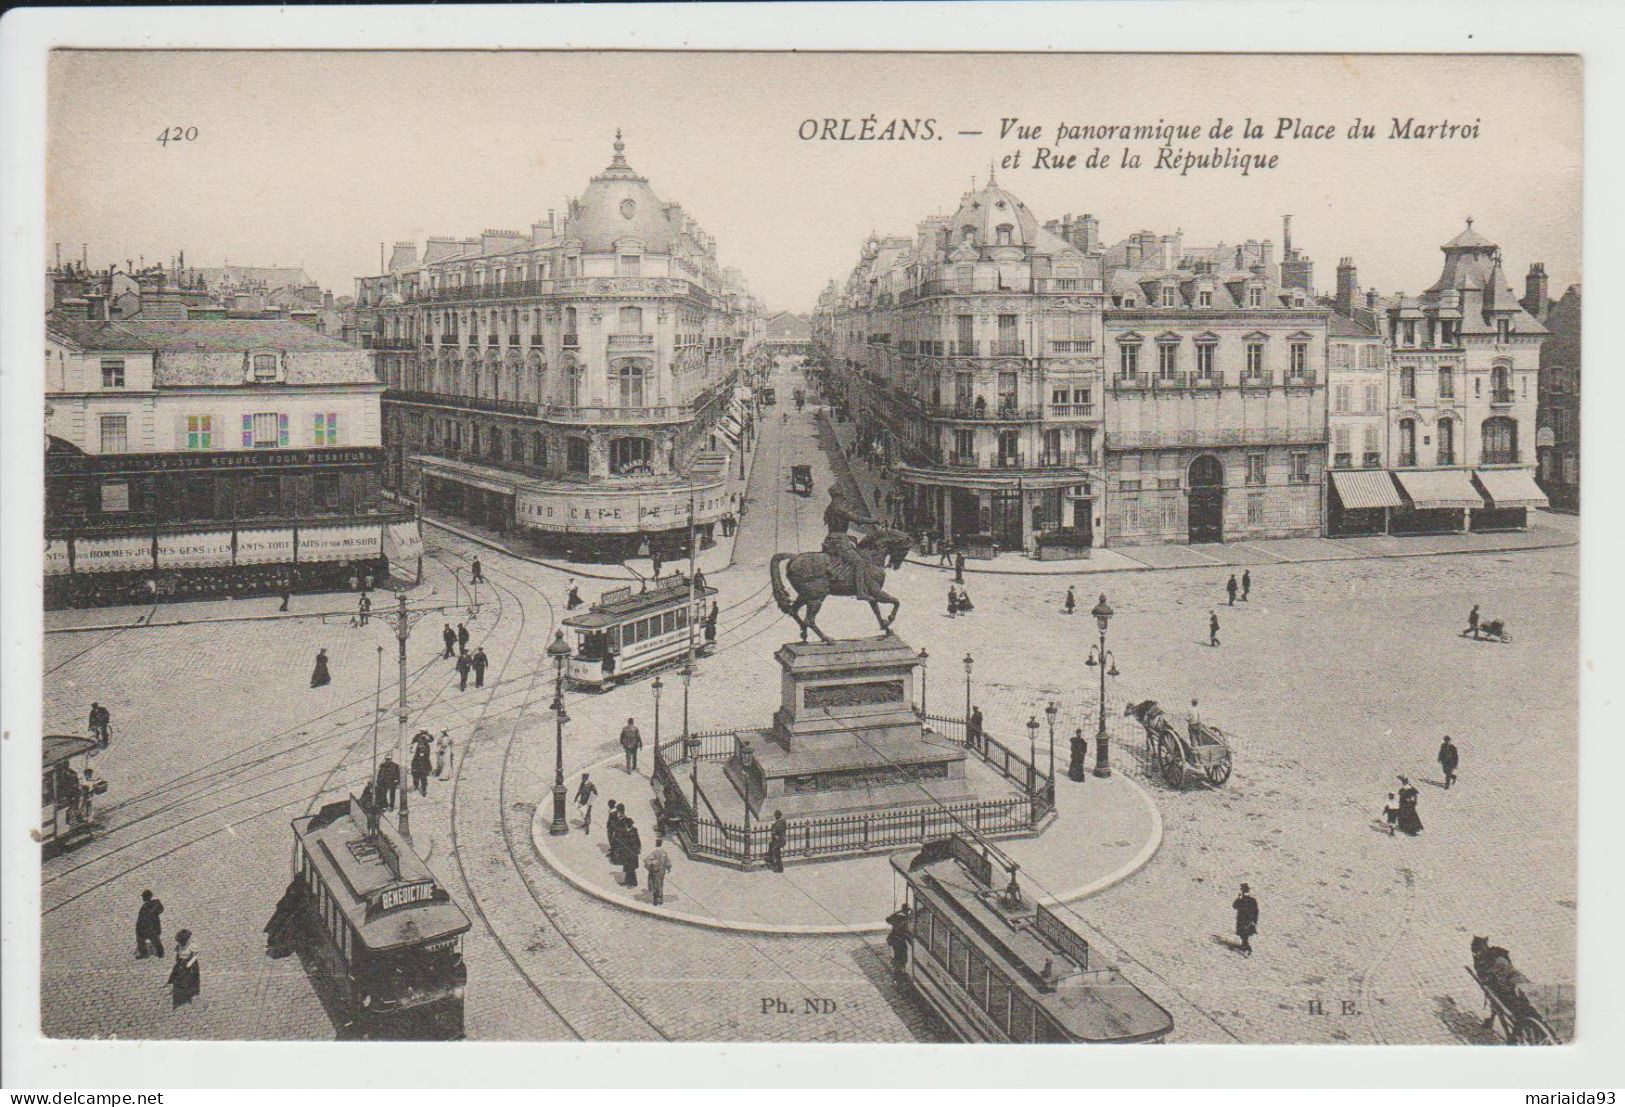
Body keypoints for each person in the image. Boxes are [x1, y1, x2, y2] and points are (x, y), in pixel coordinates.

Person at [821, 490, 879, 595]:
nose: (843, 500)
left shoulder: (829, 508)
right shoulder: (840, 509)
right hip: (839, 541)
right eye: (842, 498)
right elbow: (858, 519)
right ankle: (861, 592)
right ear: (838, 497)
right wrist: (874, 520)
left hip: (830, 538)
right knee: (859, 562)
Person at [166, 929, 201, 1008]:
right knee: (178, 976)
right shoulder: (180, 944)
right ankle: (180, 990)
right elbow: (179, 951)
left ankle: (193, 994)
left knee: (191, 979)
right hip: (181, 962)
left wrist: (190, 962)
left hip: (189, 964)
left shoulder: (192, 945)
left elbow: (196, 955)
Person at [885, 903, 913, 977]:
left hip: (896, 939)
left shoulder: (898, 917)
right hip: (898, 940)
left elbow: (888, 919)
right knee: (901, 955)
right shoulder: (904, 919)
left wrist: (895, 913)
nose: (907, 912)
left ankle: (899, 970)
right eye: (907, 910)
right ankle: (899, 971)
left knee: (900, 955)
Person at [136, 890, 165, 959]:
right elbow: (160, 909)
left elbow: (142, 918)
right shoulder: (155, 903)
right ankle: (160, 953)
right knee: (156, 940)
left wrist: (139, 928)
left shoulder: (145, 906)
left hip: (147, 927)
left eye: (143, 897)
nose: (143, 898)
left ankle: (144, 953)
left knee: (141, 940)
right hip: (154, 927)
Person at [645, 837, 673, 906]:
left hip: (655, 871)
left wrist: (651, 866)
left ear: (656, 844)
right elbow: (668, 862)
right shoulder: (664, 852)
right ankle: (661, 899)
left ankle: (656, 900)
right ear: (661, 844)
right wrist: (668, 868)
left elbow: (647, 861)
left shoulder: (654, 852)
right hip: (662, 871)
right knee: (660, 884)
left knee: (655, 885)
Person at [1232, 884, 1259, 956]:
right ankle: (1244, 945)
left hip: (1246, 919)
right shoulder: (1244, 899)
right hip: (1242, 919)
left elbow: (1255, 911)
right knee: (1243, 933)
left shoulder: (1250, 900)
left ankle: (1245, 946)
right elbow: (1235, 906)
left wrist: (1254, 921)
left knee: (1244, 933)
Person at [620, 819, 642, 888]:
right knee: (627, 868)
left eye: (625, 824)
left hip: (632, 854)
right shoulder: (627, 830)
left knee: (631, 869)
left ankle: (633, 883)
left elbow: (635, 843)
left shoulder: (633, 832)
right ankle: (627, 881)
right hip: (627, 853)